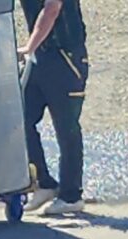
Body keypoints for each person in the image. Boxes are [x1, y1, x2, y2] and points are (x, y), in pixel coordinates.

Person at [21, 0, 89, 219]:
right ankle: (44, 183)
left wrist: (28, 47)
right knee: (21, 119)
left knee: (66, 127)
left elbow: (52, 9)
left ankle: (71, 196)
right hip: (40, 55)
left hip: (65, 57)